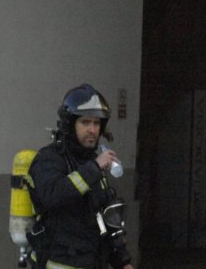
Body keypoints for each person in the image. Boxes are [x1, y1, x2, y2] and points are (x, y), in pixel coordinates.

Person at [25, 83, 133, 269]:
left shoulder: (92, 162)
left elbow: (105, 218)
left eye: (97, 123)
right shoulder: (49, 159)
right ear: (70, 124)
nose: (92, 129)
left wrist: (122, 262)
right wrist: (94, 168)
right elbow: (53, 195)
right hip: (59, 261)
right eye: (85, 122)